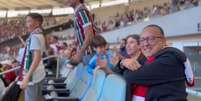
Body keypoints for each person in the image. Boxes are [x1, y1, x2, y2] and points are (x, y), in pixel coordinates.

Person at [123, 25, 188, 101]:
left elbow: (131, 76)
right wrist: (123, 62)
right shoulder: (150, 59)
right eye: (142, 40)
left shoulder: (170, 58)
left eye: (151, 39)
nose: (146, 44)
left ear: (163, 41)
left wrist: (125, 65)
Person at [18, 13, 46, 101]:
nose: (27, 24)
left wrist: (26, 77)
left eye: (29, 21)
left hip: (33, 76)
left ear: (37, 23)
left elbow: (36, 58)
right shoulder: (39, 35)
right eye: (26, 22)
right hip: (39, 74)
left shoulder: (34, 37)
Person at [67, 0, 96, 65]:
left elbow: (89, 35)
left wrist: (80, 53)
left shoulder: (81, 12)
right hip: (87, 53)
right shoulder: (79, 12)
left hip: (89, 53)